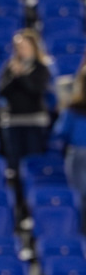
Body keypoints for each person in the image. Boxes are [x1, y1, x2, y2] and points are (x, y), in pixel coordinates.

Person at [0, 29, 53, 173]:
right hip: (13, 120)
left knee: (34, 163)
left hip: (34, 121)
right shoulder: (10, 68)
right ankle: (18, 194)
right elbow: (2, 91)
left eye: (24, 47)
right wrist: (14, 76)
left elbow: (36, 91)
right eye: (18, 47)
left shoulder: (41, 68)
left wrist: (21, 76)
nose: (21, 51)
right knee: (14, 164)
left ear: (33, 47)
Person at [52, 71, 86, 224]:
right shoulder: (72, 107)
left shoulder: (72, 108)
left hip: (78, 153)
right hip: (78, 154)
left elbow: (60, 132)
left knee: (80, 194)